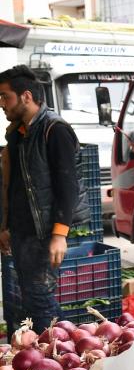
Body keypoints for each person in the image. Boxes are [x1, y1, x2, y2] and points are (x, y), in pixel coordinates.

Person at [0, 65, 91, 333]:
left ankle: (61, 348)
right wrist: (4, 226)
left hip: (45, 230)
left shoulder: (55, 130)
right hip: (22, 230)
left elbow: (68, 186)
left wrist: (59, 234)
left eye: (5, 97)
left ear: (26, 96)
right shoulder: (17, 135)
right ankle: (56, 346)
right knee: (31, 295)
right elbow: (11, 185)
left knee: (39, 298)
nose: (1, 104)